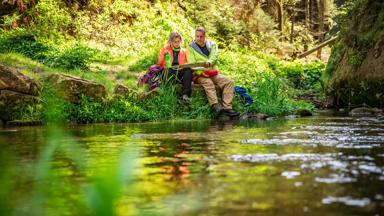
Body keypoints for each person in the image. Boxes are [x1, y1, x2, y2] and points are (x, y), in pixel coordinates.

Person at [187, 27, 239, 117]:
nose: (199, 38)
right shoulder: (191, 46)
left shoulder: (212, 44)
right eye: (197, 36)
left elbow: (214, 56)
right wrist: (201, 72)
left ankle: (228, 108)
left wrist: (209, 63)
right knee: (208, 82)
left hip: (212, 72)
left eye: (201, 36)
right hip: (199, 74)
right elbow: (192, 63)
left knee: (229, 82)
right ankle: (216, 106)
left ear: (205, 36)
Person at [158, 32, 193, 101]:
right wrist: (163, 56)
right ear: (170, 41)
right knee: (168, 71)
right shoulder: (165, 49)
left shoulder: (184, 51)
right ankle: (170, 93)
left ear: (180, 41)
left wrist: (185, 64)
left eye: (178, 41)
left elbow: (187, 63)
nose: (177, 43)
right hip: (169, 73)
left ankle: (185, 95)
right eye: (174, 42)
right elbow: (159, 63)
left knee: (188, 70)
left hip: (179, 72)